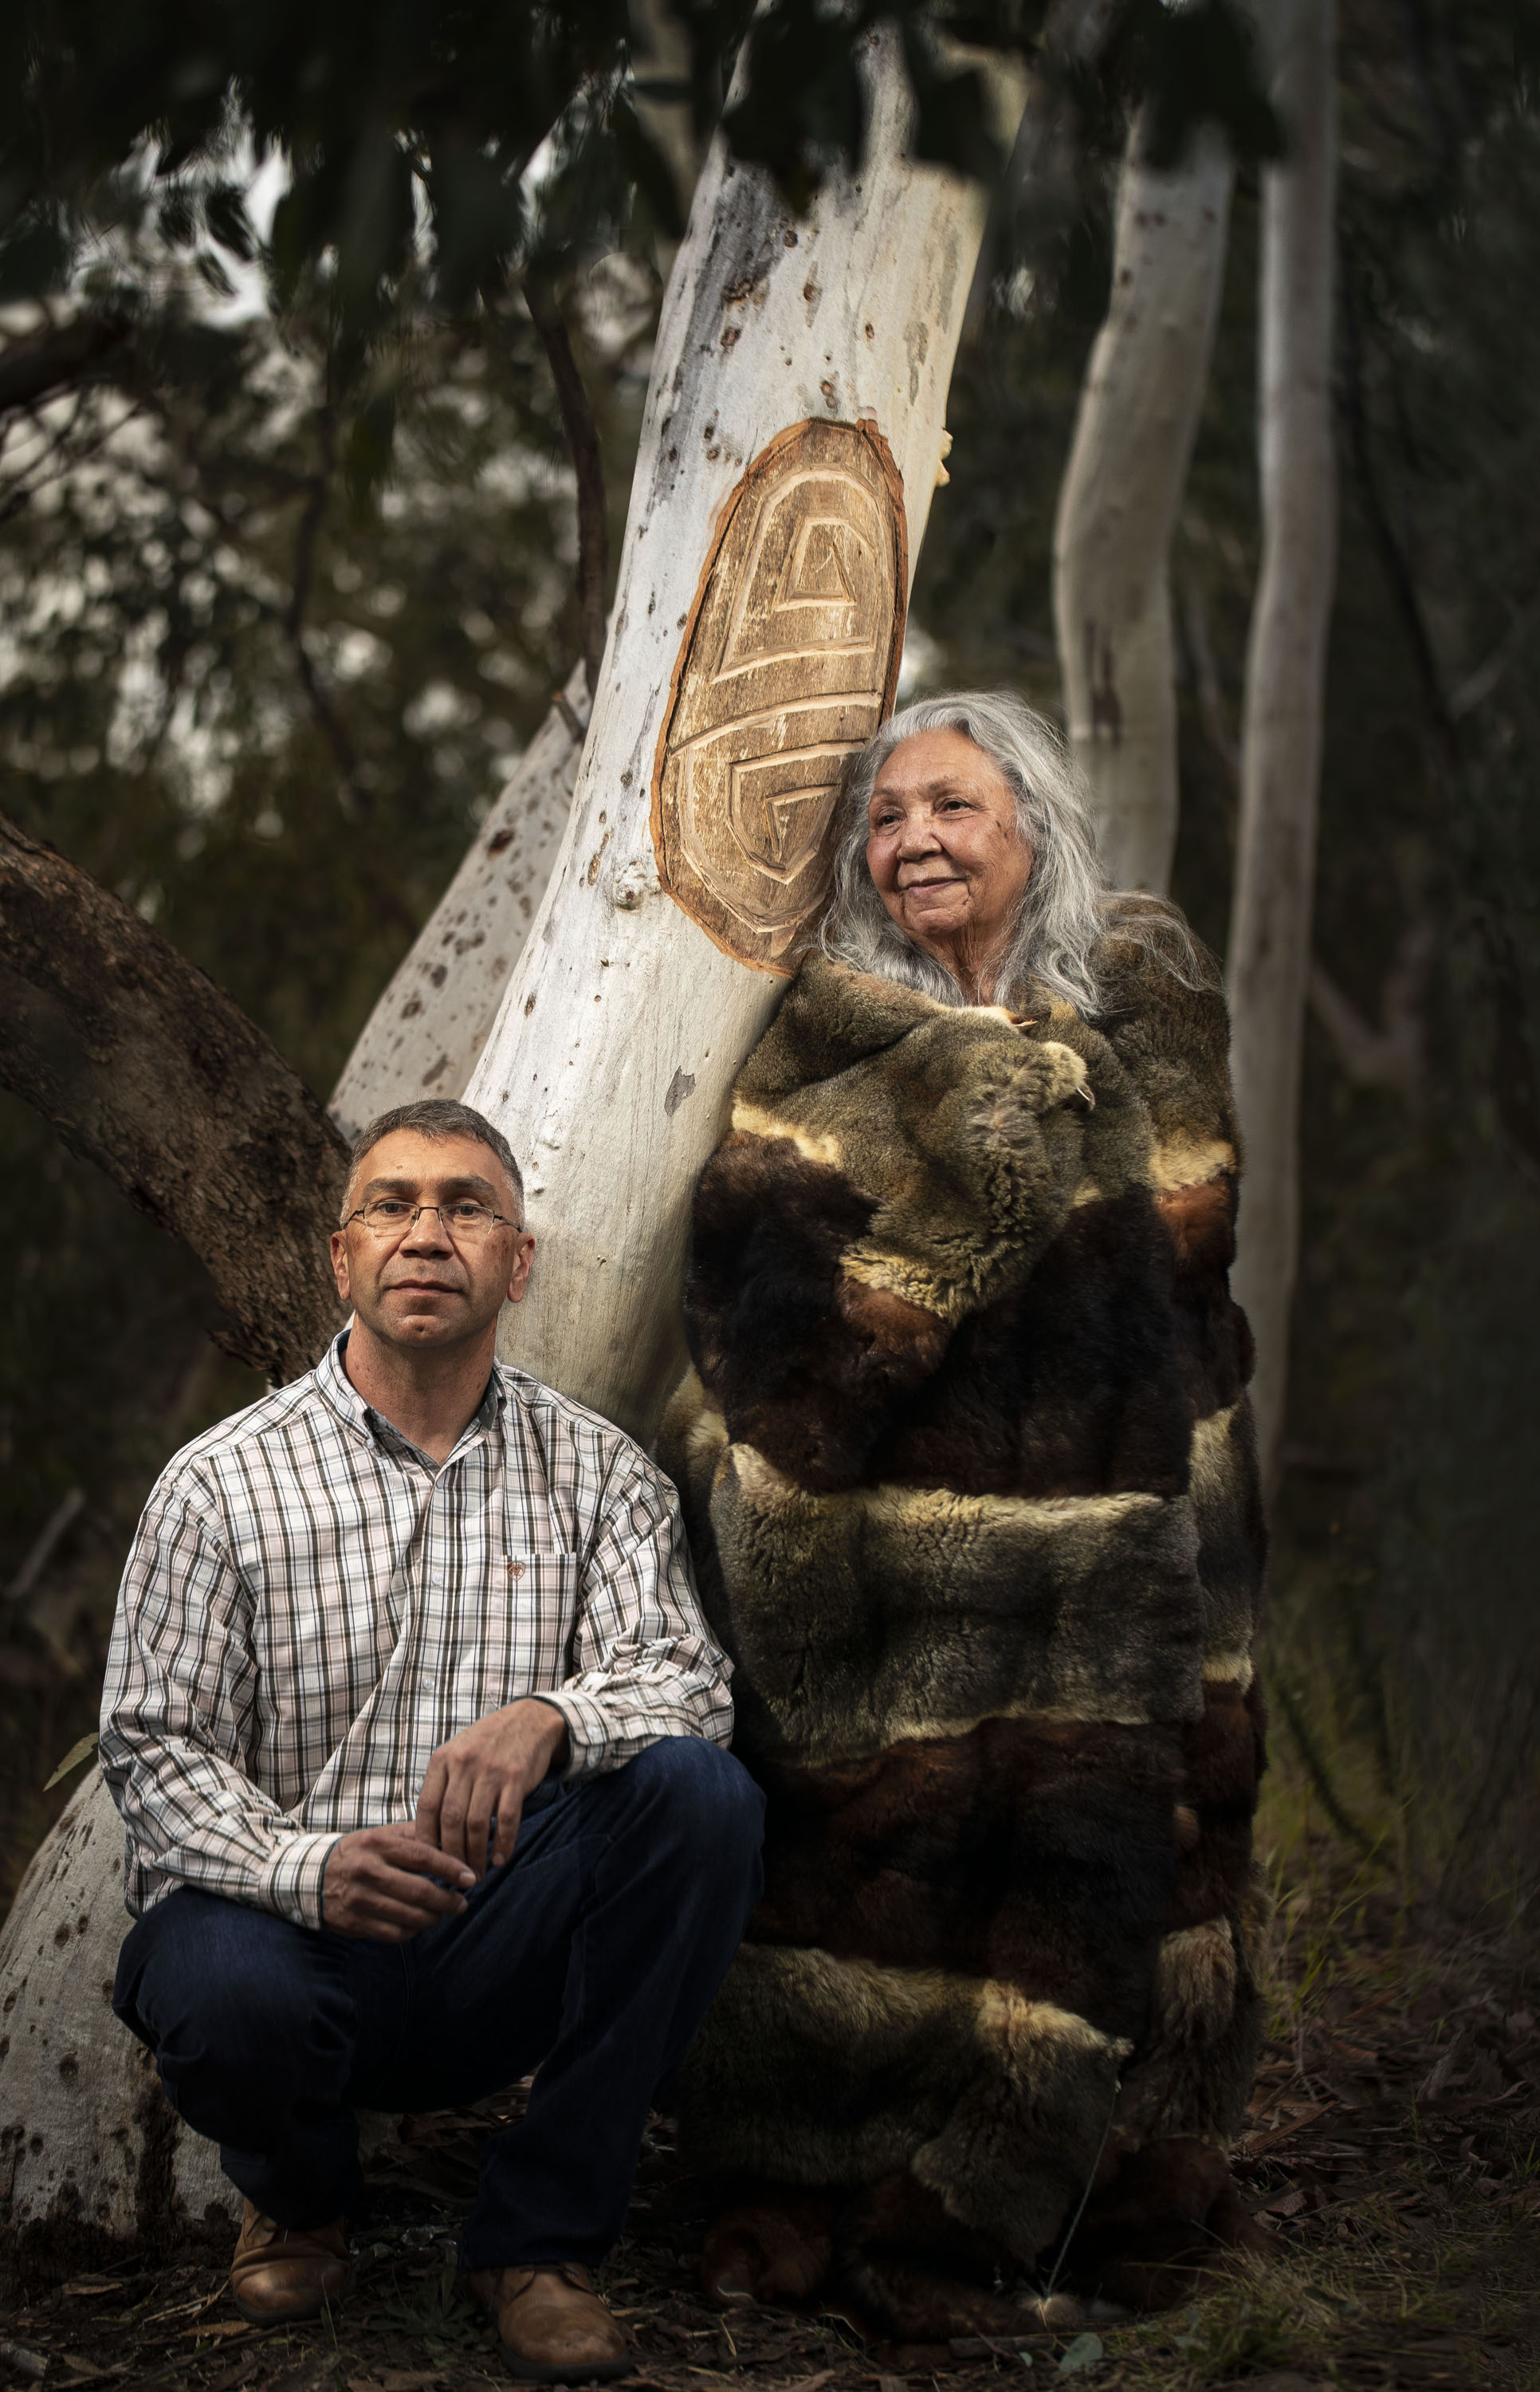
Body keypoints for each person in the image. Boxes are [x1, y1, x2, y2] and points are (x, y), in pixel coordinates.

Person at [658, 694, 1268, 2332]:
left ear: (1033, 827)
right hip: (910, 1572)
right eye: (885, 817)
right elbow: (754, 1308)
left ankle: (1102, 2206)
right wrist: (970, 1183)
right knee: (883, 1884)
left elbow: (1189, 1264)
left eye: (953, 806)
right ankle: (838, 2207)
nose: (913, 838)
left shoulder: (1140, 1012)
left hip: (1140, 1551)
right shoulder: (830, 1043)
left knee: (1135, 1876)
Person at [100, 1096, 764, 2381]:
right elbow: (153, 1751)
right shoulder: (218, 1484)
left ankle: (539, 2241)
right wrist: (310, 1868)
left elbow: (689, 1682)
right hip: (286, 1945)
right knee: (211, 1977)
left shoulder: (600, 1473)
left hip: (501, 1941)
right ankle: (299, 2197)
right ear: (341, 1258)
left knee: (703, 1797)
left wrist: (553, 1719)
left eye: (466, 1207)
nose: (426, 1233)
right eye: (392, 1206)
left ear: (518, 1263)